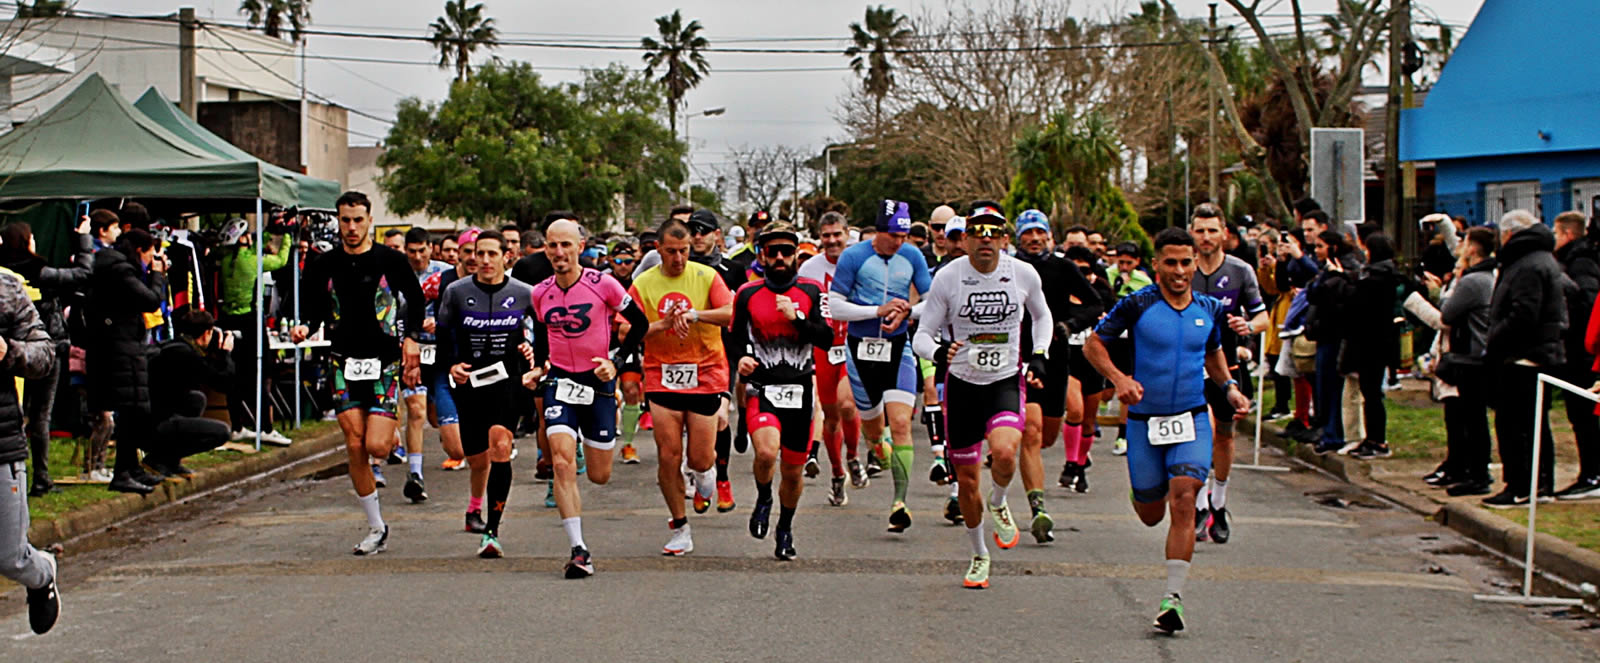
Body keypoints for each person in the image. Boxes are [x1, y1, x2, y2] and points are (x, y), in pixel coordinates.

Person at [1085, 226, 1249, 633]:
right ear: (1155, 264)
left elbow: (1212, 353)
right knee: (1150, 512)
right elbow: (1093, 344)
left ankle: (1172, 598)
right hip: (1144, 422)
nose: (1179, 271)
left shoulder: (1209, 309)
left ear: (1196, 263)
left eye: (1186, 262)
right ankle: (1142, 489)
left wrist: (1228, 388)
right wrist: (1120, 379)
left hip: (1191, 417)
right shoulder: (1137, 304)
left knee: (1184, 497)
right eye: (1170, 262)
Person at [914, 203, 1051, 588]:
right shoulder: (948, 277)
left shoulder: (1022, 273)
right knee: (968, 479)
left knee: (1007, 451)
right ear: (966, 238)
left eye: (994, 232)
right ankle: (978, 553)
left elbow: (1043, 316)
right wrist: (938, 352)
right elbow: (923, 334)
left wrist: (1039, 354)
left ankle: (1000, 500)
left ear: (1005, 239)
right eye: (978, 232)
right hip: (962, 386)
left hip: (1005, 379)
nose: (986, 240)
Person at [290, 191, 424, 555]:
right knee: (354, 445)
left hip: (383, 361)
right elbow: (315, 308)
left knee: (376, 445)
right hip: (342, 361)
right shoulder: (323, 263)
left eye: (358, 220)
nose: (351, 227)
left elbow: (415, 299)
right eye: (345, 220)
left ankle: (389, 432)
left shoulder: (390, 260)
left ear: (369, 220)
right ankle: (376, 527)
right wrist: (304, 327)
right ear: (338, 221)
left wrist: (411, 338)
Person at [528, 220, 648, 575]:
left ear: (580, 246)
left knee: (599, 475)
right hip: (560, 383)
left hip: (597, 383)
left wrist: (616, 361)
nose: (559, 253)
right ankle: (578, 549)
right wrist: (537, 366)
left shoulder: (603, 284)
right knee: (561, 462)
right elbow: (539, 335)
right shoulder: (540, 292)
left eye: (566, 245)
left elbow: (639, 324)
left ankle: (585, 442)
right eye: (552, 246)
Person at [629, 217, 734, 555]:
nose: (678, 258)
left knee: (701, 459)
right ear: (658, 249)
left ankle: (705, 479)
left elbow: (731, 312)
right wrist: (661, 325)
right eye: (671, 251)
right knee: (668, 456)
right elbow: (624, 330)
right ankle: (680, 527)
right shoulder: (644, 283)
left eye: (684, 251)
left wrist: (696, 316)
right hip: (662, 374)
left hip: (704, 372)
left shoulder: (706, 276)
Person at [730, 222, 834, 559]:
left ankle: (785, 527)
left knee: (792, 470)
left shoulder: (814, 291)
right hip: (763, 386)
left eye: (786, 252)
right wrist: (742, 359)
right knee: (765, 453)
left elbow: (827, 337)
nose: (779, 257)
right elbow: (734, 340)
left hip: (800, 389)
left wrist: (797, 319)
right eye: (771, 251)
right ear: (761, 255)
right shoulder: (748, 294)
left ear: (795, 256)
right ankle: (763, 496)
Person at [828, 199, 933, 532]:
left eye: (903, 236)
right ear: (878, 232)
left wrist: (907, 312)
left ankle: (899, 503)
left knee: (901, 422)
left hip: (898, 347)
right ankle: (878, 448)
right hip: (860, 350)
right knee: (875, 432)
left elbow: (931, 301)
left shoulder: (912, 256)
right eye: (892, 235)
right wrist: (875, 311)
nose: (899, 242)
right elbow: (834, 305)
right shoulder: (854, 256)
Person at [435, 230, 535, 558]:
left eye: (493, 254)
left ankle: (492, 532)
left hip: (507, 381)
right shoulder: (456, 292)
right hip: (470, 383)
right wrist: (451, 365)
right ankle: (473, 509)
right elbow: (444, 336)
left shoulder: (524, 293)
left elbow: (539, 332)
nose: (486, 260)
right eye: (480, 254)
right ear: (472, 256)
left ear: (507, 256)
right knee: (476, 457)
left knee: (501, 446)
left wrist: (531, 350)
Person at [1012, 209, 1100, 543]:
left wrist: (1070, 325)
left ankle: (1019, 454)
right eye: (1027, 234)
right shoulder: (1010, 269)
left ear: (1049, 236)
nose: (1034, 240)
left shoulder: (1063, 268)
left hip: (1056, 356)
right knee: (1030, 432)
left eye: (1040, 233)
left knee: (1047, 435)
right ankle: (1037, 508)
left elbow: (1094, 304)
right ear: (1019, 237)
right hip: (1019, 354)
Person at [1187, 204, 1266, 544]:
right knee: (1200, 430)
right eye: (1200, 230)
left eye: (1212, 230)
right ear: (1192, 232)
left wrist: (1246, 325)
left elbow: (1263, 318)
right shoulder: (1181, 267)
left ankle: (1218, 502)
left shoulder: (1239, 271)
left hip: (1227, 365)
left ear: (1224, 234)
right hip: (1189, 364)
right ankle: (1200, 504)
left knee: (1224, 435)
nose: (1206, 237)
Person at [0, 219, 92, 495]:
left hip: (17, 351)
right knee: (40, 414)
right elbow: (83, 274)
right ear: (27, 241)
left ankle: (28, 475)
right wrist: (84, 240)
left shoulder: (9, 275)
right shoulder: (36, 271)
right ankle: (40, 476)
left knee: (22, 413)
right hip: (36, 349)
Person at [1483, 210, 1567, 508]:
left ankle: (1521, 485)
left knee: (1515, 425)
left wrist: (1496, 339)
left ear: (1510, 234)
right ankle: (1539, 482)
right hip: (1537, 353)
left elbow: (1524, 314)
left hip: (1522, 356)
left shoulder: (1527, 265)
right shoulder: (1543, 259)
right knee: (1535, 423)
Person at [0, 256, 61, 635]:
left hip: (1, 445)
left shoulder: (6, 288)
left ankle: (42, 574)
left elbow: (45, 354)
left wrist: (9, 352)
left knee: (8, 555)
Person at [88, 228, 169, 494]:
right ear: (139, 251)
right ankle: (123, 471)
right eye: (149, 255)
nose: (150, 260)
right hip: (120, 346)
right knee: (130, 409)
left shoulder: (114, 265)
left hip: (123, 343)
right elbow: (150, 300)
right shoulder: (120, 270)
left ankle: (131, 467)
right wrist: (157, 276)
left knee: (135, 410)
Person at [797, 212, 869, 500]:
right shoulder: (810, 269)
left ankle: (852, 456)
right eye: (826, 235)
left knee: (848, 405)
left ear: (847, 234)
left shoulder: (861, 263)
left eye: (837, 234)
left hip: (854, 344)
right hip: (825, 348)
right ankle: (838, 473)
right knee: (830, 417)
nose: (832, 241)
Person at [1422, 227, 1496, 496]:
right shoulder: (1487, 277)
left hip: (1469, 355)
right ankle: (1468, 468)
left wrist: (1440, 292)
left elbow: (1449, 313)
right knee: (1470, 417)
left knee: (1471, 418)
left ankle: (1476, 473)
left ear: (1474, 249)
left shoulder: (1473, 280)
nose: (1460, 248)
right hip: (1476, 354)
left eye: (1464, 243)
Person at [216, 218, 293, 447]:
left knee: (234, 375)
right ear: (243, 238)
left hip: (229, 319)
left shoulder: (227, 259)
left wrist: (269, 231)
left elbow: (255, 247)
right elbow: (281, 260)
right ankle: (266, 427)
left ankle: (237, 426)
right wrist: (287, 236)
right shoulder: (252, 261)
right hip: (250, 319)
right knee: (262, 373)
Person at [146, 305, 235, 476]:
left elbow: (206, 370)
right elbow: (223, 382)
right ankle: (159, 458)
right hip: (155, 426)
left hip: (147, 419)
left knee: (196, 398)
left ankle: (170, 461)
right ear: (206, 334)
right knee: (222, 432)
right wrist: (225, 353)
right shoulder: (184, 355)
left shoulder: (175, 347)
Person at [397, 227, 451, 502]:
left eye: (422, 250)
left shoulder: (446, 273)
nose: (417, 257)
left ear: (431, 248)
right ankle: (415, 474)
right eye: (412, 251)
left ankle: (452, 438)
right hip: (411, 351)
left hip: (439, 352)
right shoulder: (396, 273)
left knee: (433, 416)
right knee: (415, 412)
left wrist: (440, 324)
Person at [1551, 211, 1600, 500]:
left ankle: (1592, 473)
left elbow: (1588, 301)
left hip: (1581, 352)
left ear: (1568, 234)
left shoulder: (1580, 261)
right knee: (1579, 415)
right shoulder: (1574, 259)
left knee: (1583, 415)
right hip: (1578, 349)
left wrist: (1572, 331)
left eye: (1556, 234)